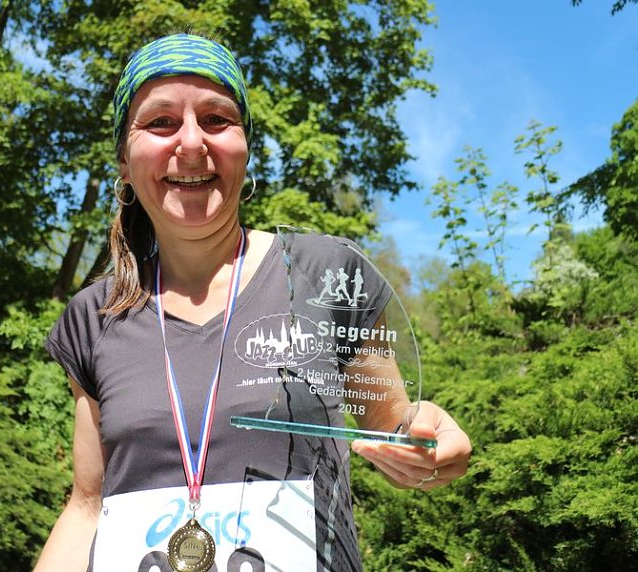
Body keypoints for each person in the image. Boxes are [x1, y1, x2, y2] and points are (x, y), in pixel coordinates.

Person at [35, 33, 472, 572]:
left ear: (246, 147)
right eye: (161, 122)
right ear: (124, 161)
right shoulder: (94, 317)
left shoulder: (330, 275)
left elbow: (393, 428)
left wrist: (428, 445)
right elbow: (85, 507)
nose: (191, 143)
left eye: (217, 119)